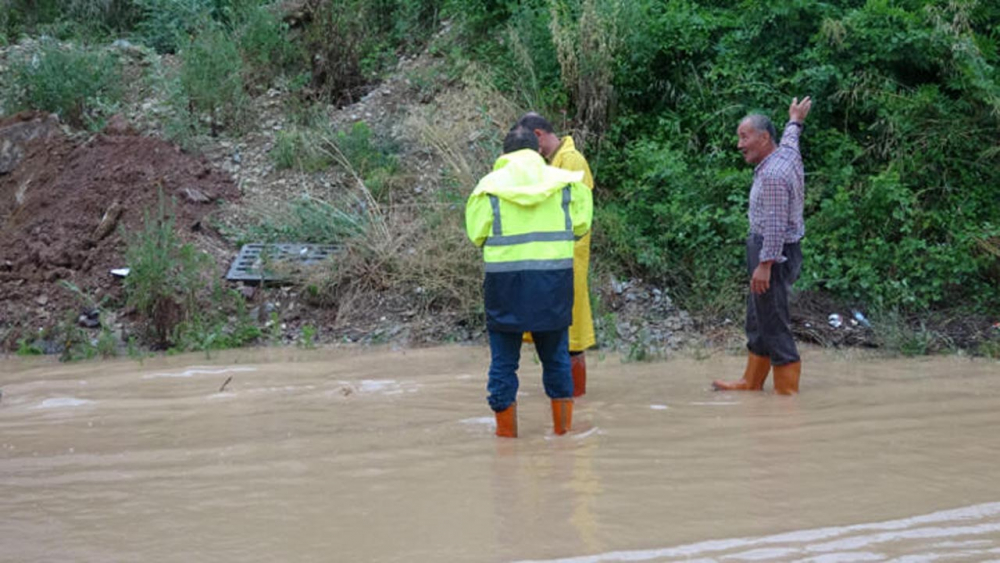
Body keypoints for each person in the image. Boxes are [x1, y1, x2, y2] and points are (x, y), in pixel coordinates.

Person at [466, 126, 593, 437]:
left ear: (504, 156)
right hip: (553, 285)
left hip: (504, 288)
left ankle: (507, 439)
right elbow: (581, 226)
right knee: (556, 359)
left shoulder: (486, 188)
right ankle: (563, 434)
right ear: (537, 151)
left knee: (504, 364)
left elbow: (477, 234)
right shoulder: (567, 184)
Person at [713, 96, 812, 395]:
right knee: (758, 317)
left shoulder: (771, 175)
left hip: (774, 254)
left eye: (744, 137)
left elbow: (775, 225)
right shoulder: (785, 154)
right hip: (777, 251)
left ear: (764, 138)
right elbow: (791, 138)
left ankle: (787, 399)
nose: (739, 144)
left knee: (774, 322)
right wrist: (795, 120)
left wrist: (765, 265)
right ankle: (751, 382)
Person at [517, 112, 596, 397]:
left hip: (569, 260)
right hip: (555, 260)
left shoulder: (572, 161)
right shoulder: (555, 162)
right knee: (559, 338)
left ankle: (576, 402)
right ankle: (567, 402)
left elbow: (578, 213)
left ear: (538, 135)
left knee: (573, 340)